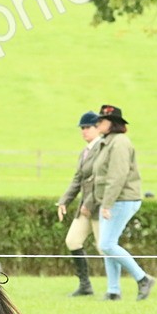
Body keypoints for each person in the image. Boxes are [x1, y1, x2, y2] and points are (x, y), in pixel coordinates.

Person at [91, 105, 155, 301]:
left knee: (107, 244)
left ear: (112, 124)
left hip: (121, 199)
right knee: (109, 245)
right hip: (113, 199)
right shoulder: (109, 142)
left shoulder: (119, 143)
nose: (98, 123)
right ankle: (113, 291)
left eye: (102, 120)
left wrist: (107, 204)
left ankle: (143, 278)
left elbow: (117, 176)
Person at [56, 111, 104, 296]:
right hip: (84, 208)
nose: (84, 131)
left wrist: (89, 204)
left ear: (97, 128)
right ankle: (85, 285)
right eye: (82, 128)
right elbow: (78, 179)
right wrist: (64, 201)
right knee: (73, 241)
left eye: (88, 127)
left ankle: (120, 285)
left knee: (104, 247)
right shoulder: (85, 152)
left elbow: (99, 181)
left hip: (98, 207)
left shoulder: (102, 148)